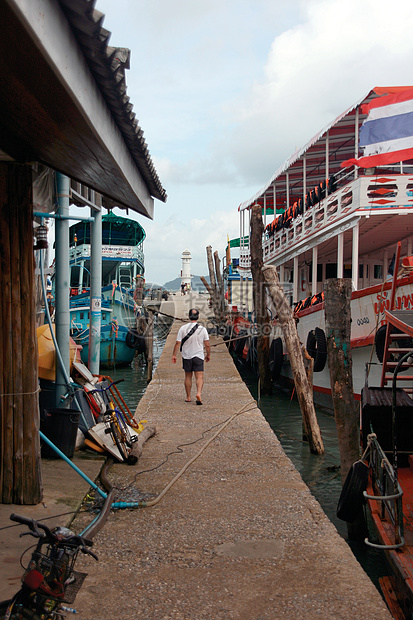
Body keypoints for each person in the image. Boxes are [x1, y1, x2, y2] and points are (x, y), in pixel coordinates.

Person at [172, 308, 210, 404]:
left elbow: (177, 343)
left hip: (186, 355)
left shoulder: (183, 328)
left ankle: (188, 397)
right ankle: (198, 393)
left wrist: (174, 355)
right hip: (198, 355)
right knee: (199, 376)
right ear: (198, 317)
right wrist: (208, 354)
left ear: (189, 316)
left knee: (188, 376)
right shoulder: (202, 329)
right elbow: (207, 344)